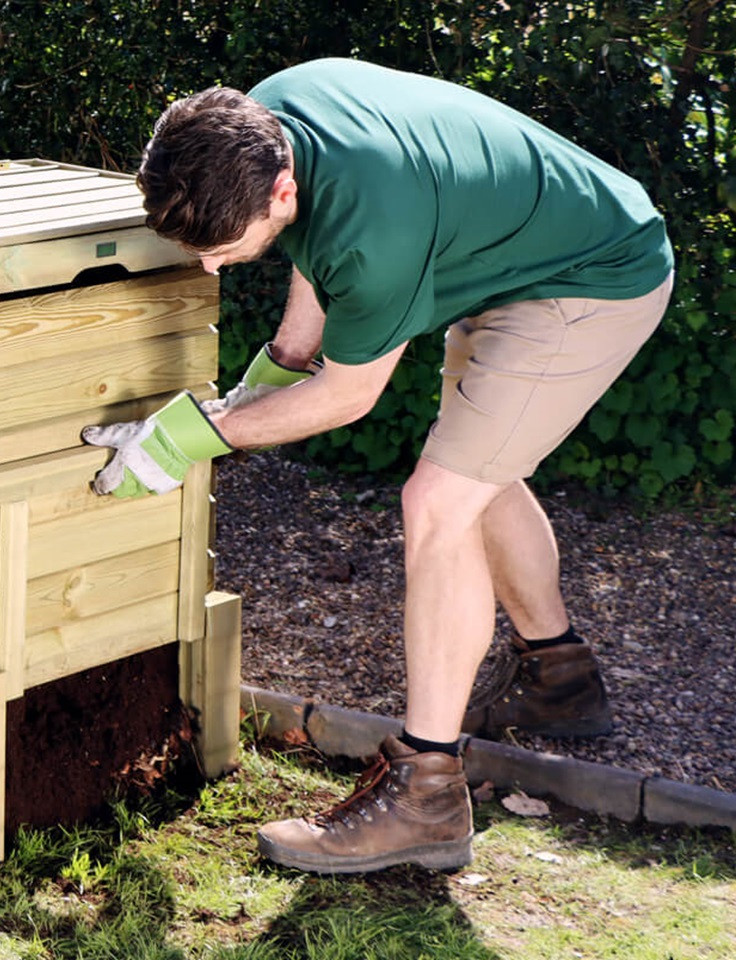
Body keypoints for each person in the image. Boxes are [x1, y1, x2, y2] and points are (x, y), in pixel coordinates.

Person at [81, 58, 673, 875]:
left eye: (221, 249)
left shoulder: (377, 229)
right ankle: (560, 677)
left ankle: (426, 795)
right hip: (521, 248)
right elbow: (317, 260)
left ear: (279, 193)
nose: (211, 267)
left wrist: (191, 437)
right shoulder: (266, 118)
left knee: (439, 500)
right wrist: (268, 376)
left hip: (591, 277)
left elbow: (347, 396)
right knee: (477, 469)